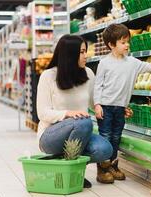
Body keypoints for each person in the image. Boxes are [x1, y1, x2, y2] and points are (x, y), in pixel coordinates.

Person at [93, 23, 151, 183]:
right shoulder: (104, 63)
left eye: (128, 41)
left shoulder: (132, 62)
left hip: (120, 108)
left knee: (116, 136)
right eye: (123, 42)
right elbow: (98, 85)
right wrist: (97, 104)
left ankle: (112, 164)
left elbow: (150, 66)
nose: (127, 45)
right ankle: (102, 168)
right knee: (105, 136)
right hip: (105, 107)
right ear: (111, 45)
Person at [36, 34, 114, 188]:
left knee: (105, 149)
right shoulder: (48, 76)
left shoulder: (88, 74)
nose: (86, 55)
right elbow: (42, 113)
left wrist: (116, 107)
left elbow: (94, 104)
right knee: (84, 122)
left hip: (80, 134)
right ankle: (74, 172)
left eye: (85, 51)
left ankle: (65, 161)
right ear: (69, 54)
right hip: (50, 135)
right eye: (82, 52)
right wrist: (67, 113)